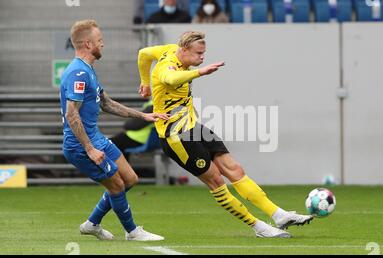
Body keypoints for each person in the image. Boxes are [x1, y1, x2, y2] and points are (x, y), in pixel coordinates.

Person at [137, 31, 313, 238]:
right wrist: (200, 72)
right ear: (184, 50)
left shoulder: (168, 49)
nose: (202, 58)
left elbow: (143, 53)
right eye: (198, 54)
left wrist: (145, 82)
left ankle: (279, 215)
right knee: (216, 182)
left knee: (235, 169)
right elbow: (171, 78)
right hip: (176, 137)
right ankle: (259, 227)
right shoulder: (167, 67)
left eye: (203, 53)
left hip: (193, 127)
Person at [60, 20, 169, 242]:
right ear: (88, 43)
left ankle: (92, 223)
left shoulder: (88, 69)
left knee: (130, 179)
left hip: (96, 138)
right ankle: (132, 232)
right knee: (117, 184)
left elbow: (106, 103)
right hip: (80, 146)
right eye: (100, 41)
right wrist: (89, 149)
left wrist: (143, 115)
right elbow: (72, 114)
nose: (103, 44)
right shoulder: (77, 73)